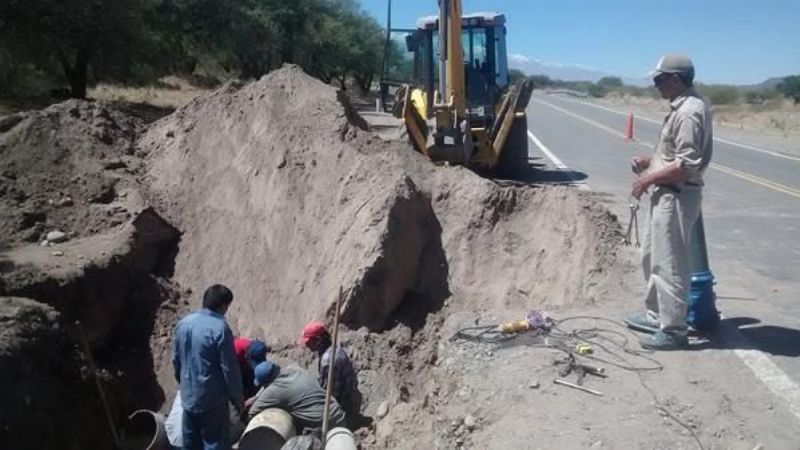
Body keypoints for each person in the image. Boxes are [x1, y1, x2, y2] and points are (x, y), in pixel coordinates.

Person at [624, 54, 713, 350]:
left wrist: (647, 179)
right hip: (666, 192)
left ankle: (674, 329)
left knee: (670, 264)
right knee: (653, 257)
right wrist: (651, 163)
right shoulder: (680, 108)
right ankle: (656, 315)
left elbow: (688, 164)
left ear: (676, 79)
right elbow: (675, 156)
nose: (656, 85)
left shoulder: (689, 111)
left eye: (659, 79)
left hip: (675, 195)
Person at [173, 284, 244, 450]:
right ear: (223, 305)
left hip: (188, 397)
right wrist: (237, 397)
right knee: (215, 443)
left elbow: (176, 360)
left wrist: (184, 384)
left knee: (191, 444)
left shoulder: (183, 324)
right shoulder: (219, 328)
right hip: (212, 401)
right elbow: (229, 368)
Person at [247, 361, 347, 434]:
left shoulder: (274, 391)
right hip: (337, 412)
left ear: (266, 383)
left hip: (326, 426)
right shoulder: (295, 369)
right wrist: (257, 397)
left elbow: (252, 413)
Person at [298, 321, 357, 409]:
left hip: (343, 407)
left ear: (318, 340)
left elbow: (330, 395)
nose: (306, 345)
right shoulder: (332, 350)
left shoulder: (328, 360)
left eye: (308, 342)